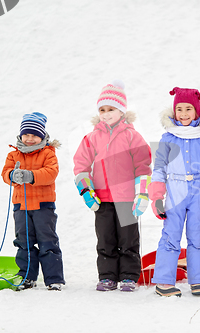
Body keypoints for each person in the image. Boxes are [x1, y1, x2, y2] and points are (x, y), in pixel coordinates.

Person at [73, 80, 152, 292]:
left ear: (122, 111)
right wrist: (86, 191)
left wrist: (142, 194)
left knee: (128, 239)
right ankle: (107, 276)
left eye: (111, 109)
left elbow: (143, 166)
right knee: (105, 239)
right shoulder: (91, 138)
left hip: (126, 199)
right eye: (102, 109)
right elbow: (81, 166)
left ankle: (128, 276)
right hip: (102, 199)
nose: (106, 114)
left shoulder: (132, 136)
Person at [149, 87, 200, 297]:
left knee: (198, 234)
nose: (183, 114)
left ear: (197, 112)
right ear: (174, 112)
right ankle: (164, 282)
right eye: (179, 109)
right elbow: (159, 168)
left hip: (199, 190)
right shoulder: (168, 137)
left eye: (188, 109)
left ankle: (198, 280)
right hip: (175, 189)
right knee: (171, 234)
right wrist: (157, 196)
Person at [1, 112, 65, 291]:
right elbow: (5, 174)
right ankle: (27, 276)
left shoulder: (48, 154)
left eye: (35, 135)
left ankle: (54, 279)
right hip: (21, 206)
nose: (30, 138)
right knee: (24, 242)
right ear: (21, 135)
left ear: (42, 136)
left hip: (43, 206)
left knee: (48, 241)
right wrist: (12, 175)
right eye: (26, 134)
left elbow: (51, 173)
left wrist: (31, 176)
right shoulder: (13, 155)